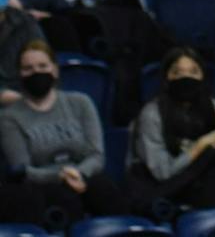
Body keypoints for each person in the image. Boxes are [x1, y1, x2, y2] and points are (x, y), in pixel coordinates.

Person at [0, 40, 130, 224]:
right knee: (60, 199)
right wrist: (60, 175)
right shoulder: (9, 117)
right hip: (42, 186)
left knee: (104, 189)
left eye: (42, 66)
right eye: (28, 68)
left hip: (83, 177)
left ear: (54, 69)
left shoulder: (80, 103)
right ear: (19, 74)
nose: (36, 72)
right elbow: (22, 170)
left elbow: (96, 155)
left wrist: (79, 173)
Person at [127, 46, 215, 212]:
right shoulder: (152, 113)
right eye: (178, 73)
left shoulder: (212, 106)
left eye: (194, 72)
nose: (187, 78)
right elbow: (163, 172)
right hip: (162, 188)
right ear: (167, 77)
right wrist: (202, 144)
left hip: (203, 183)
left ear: (203, 76)